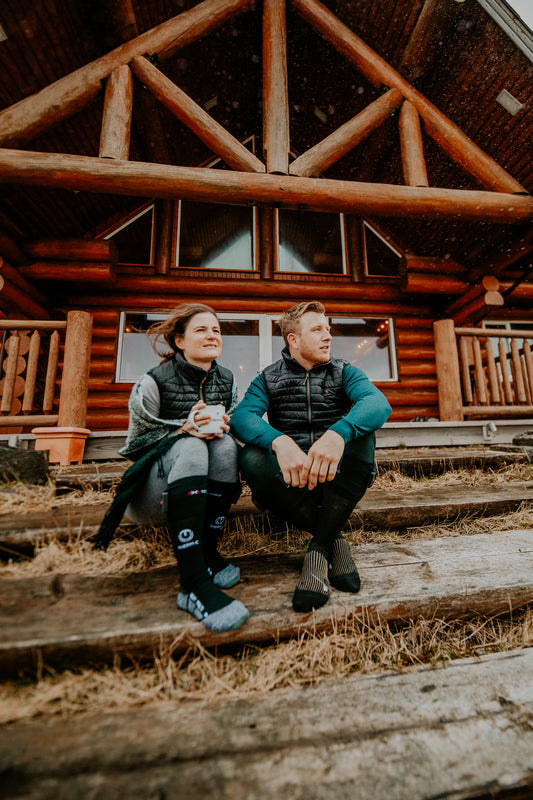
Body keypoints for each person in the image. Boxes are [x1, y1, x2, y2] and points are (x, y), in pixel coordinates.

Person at [93, 303, 249, 632]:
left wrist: (225, 425)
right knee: (191, 445)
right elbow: (135, 448)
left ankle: (207, 552)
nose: (212, 336)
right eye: (201, 330)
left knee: (223, 447)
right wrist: (182, 430)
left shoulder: (228, 379)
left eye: (217, 330)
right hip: (152, 496)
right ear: (179, 341)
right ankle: (192, 584)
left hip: (198, 490)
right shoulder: (152, 383)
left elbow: (234, 424)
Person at [230, 301, 392, 613]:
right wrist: (279, 441)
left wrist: (338, 433)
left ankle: (318, 551)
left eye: (327, 329)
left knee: (363, 434)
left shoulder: (345, 371)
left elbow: (377, 403)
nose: (328, 336)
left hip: (336, 478)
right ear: (293, 340)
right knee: (251, 457)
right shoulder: (268, 377)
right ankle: (334, 540)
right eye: (317, 329)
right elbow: (242, 418)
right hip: (293, 480)